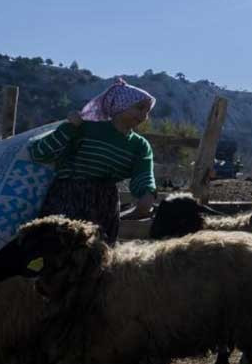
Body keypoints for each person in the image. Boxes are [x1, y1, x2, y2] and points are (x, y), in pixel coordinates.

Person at [28, 78, 157, 243]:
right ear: (120, 105)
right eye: (139, 108)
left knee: (96, 254)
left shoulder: (139, 145)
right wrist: (69, 128)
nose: (144, 116)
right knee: (55, 247)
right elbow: (40, 154)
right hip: (69, 195)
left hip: (106, 203)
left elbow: (143, 173)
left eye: (147, 111)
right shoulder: (85, 128)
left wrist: (147, 193)